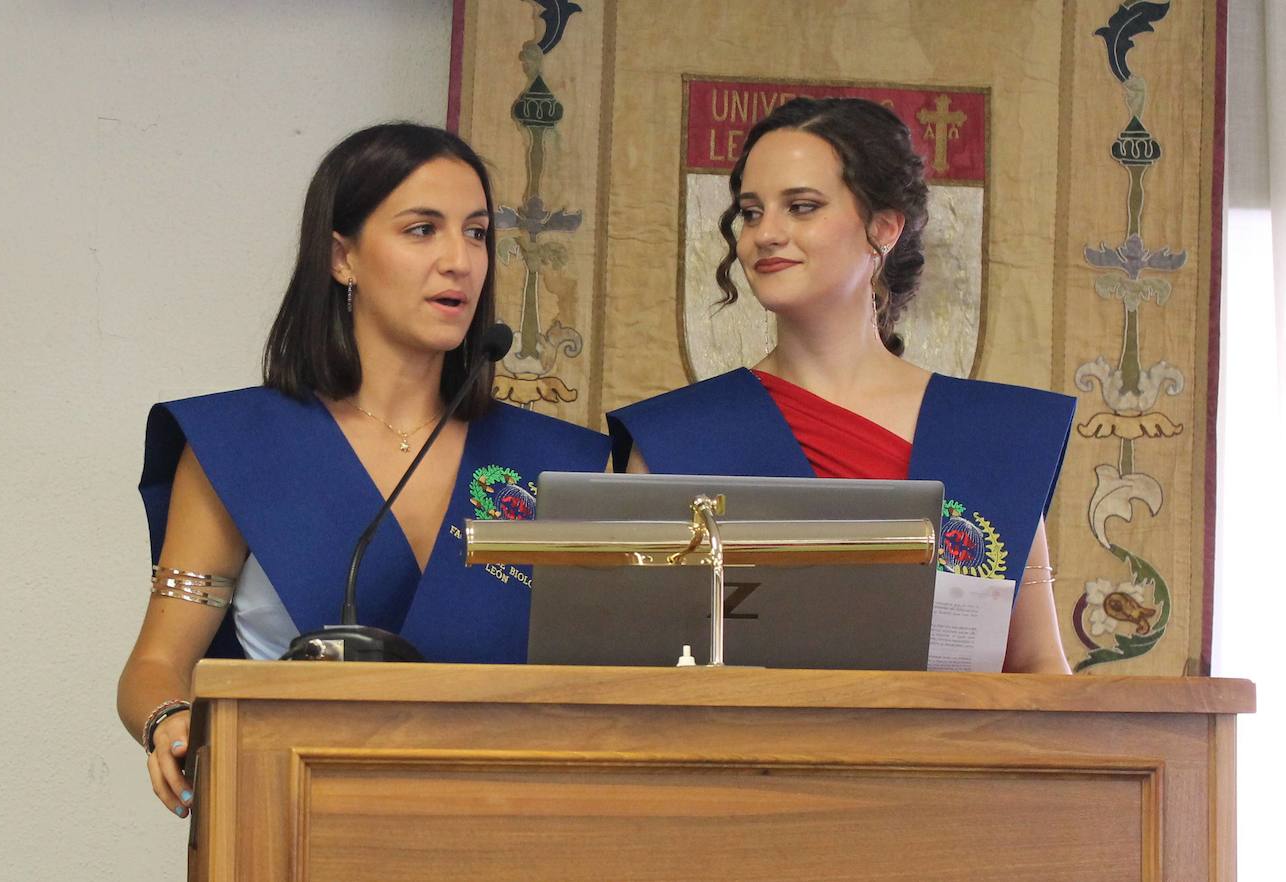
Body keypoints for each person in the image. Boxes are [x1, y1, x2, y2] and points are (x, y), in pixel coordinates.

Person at [117, 123, 609, 818]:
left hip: (509, 822)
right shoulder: (240, 447)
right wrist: (169, 718)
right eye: (421, 230)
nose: (459, 261)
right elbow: (155, 664)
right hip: (292, 819)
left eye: (475, 233)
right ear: (341, 256)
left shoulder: (564, 465)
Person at [608, 98, 1074, 674]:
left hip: (946, 760)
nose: (765, 234)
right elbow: (628, 671)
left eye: (801, 207)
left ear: (883, 229)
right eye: (751, 213)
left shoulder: (992, 437)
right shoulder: (672, 440)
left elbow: (1037, 670)